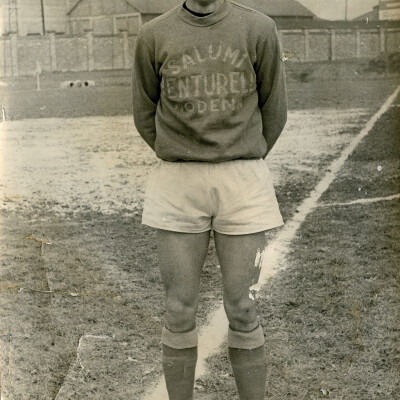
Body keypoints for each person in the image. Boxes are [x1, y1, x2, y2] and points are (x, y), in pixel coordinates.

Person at [132, 0, 287, 398]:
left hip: (242, 178)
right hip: (178, 180)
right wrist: (184, 153)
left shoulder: (259, 27)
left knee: (243, 308)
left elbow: (276, 111)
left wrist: (239, 156)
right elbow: (143, 113)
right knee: (179, 309)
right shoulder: (153, 34)